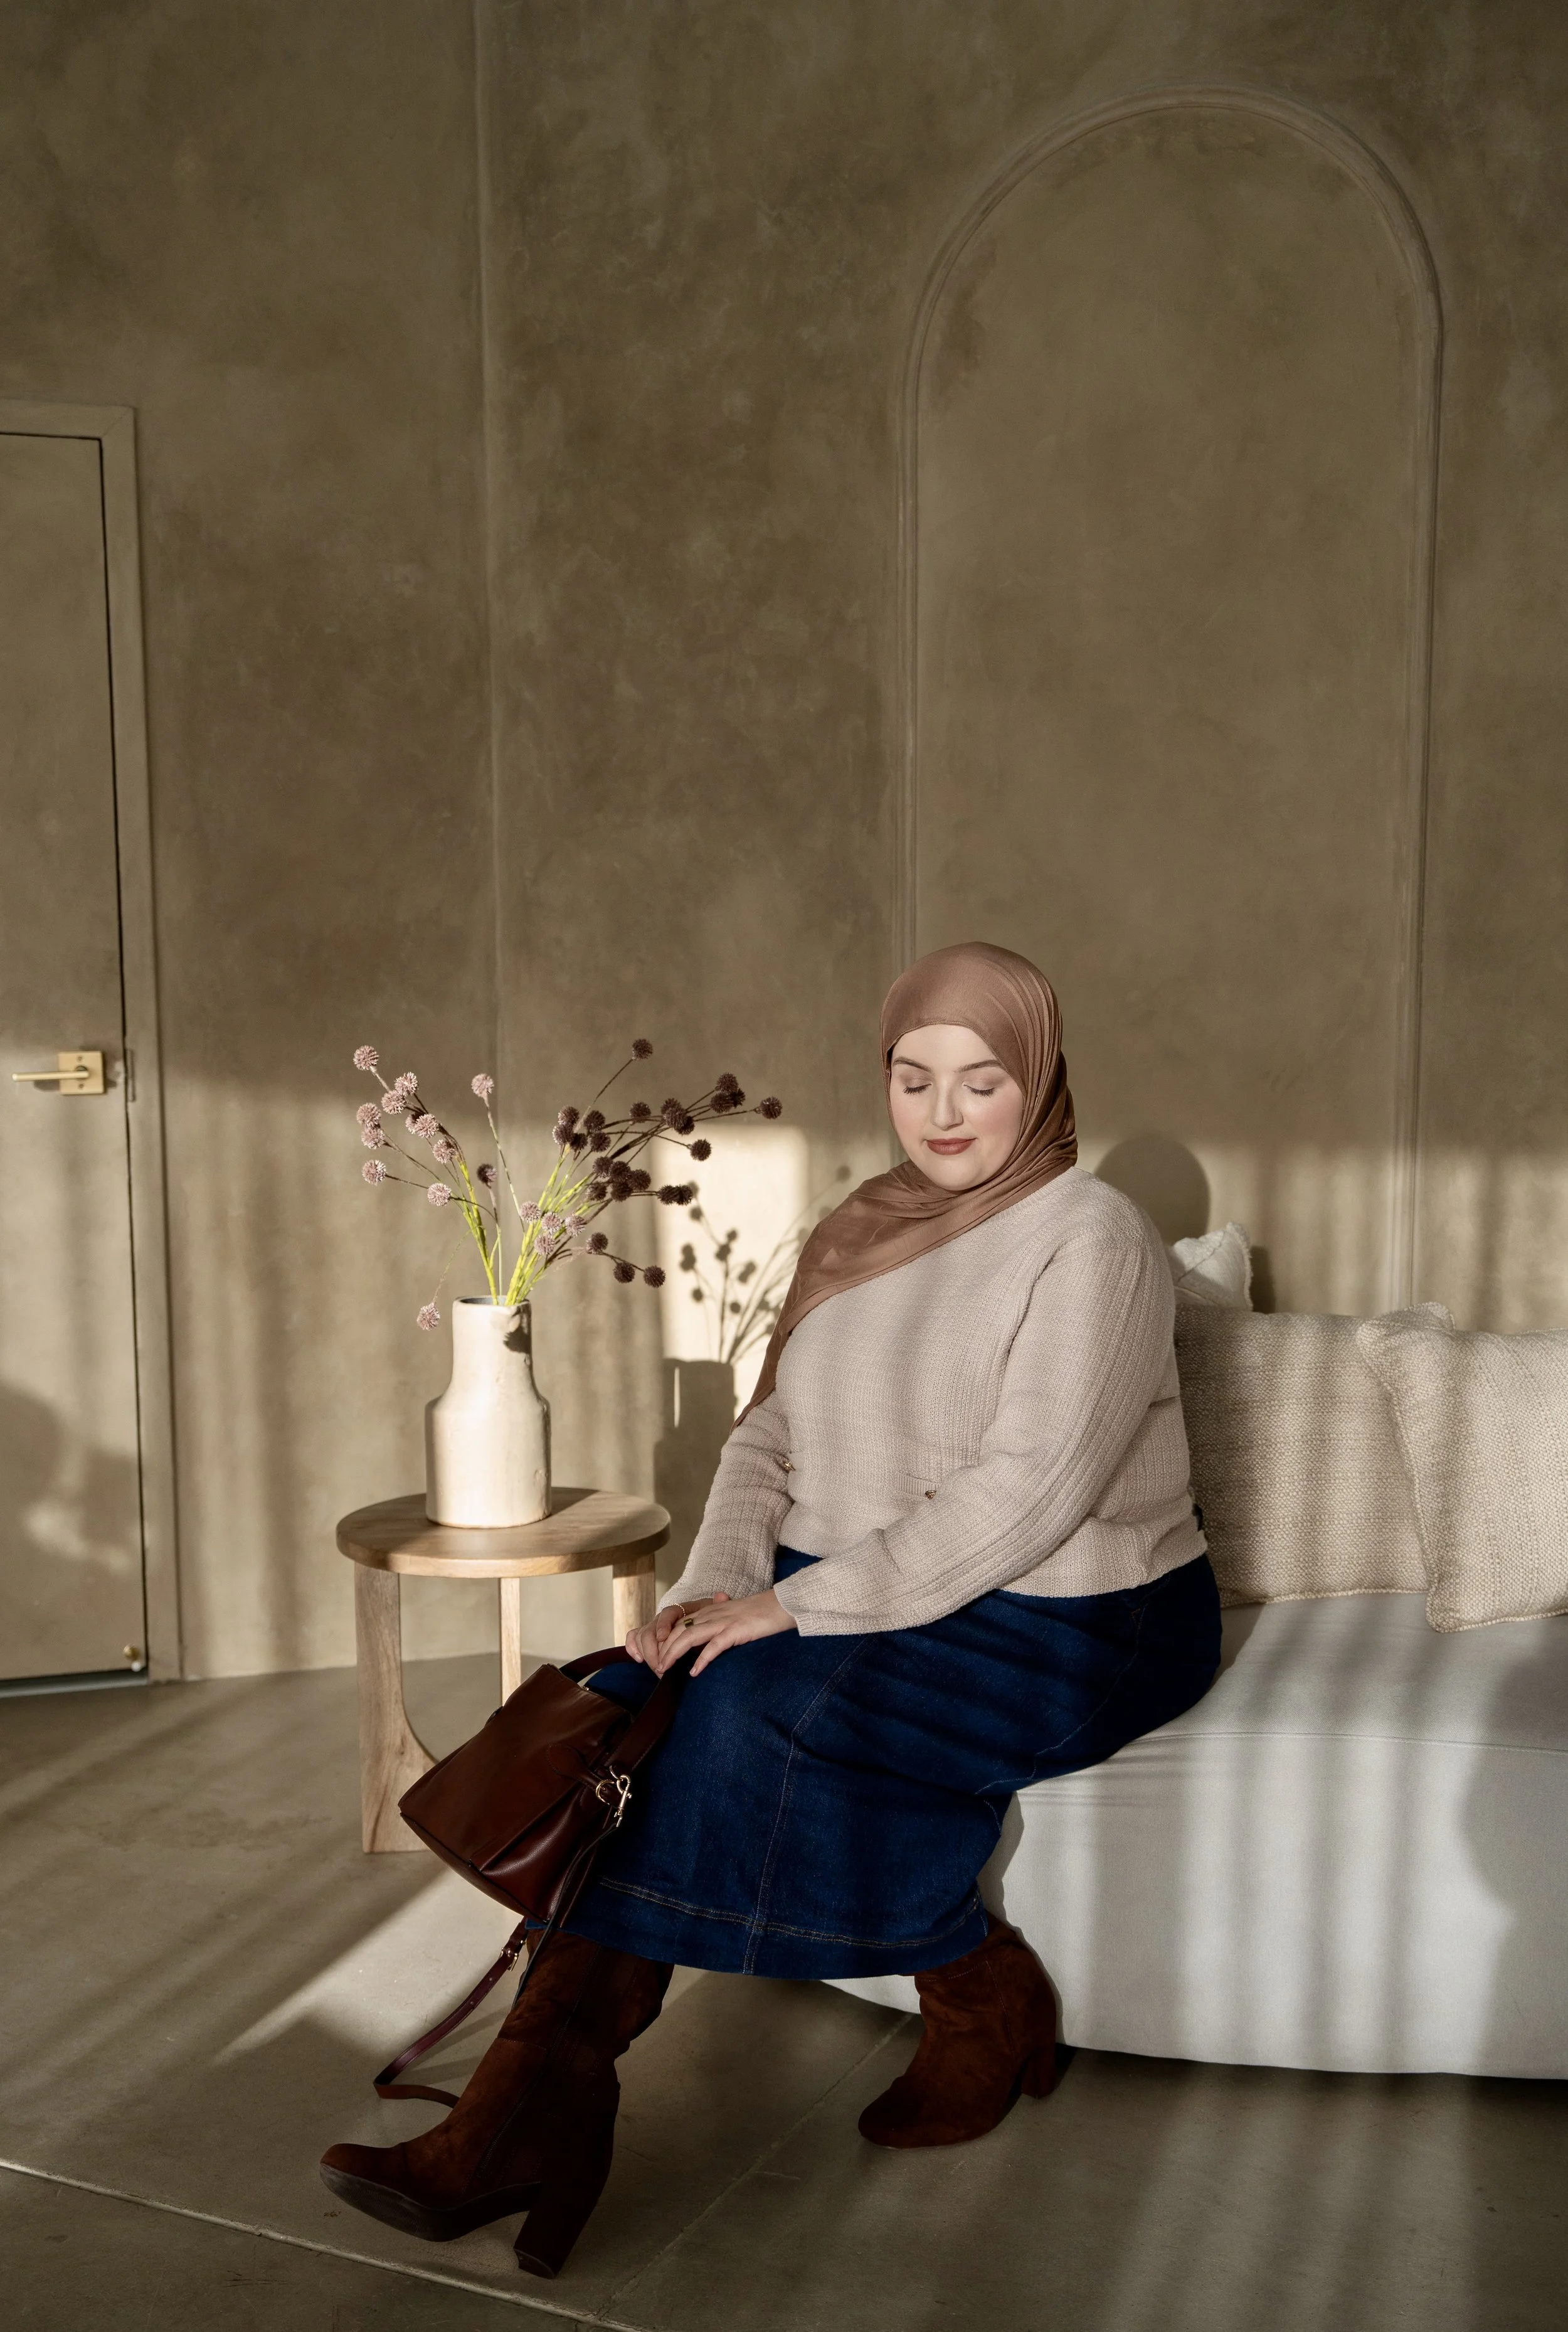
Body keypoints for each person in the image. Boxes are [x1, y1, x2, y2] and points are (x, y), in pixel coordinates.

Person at [320, 940, 1221, 2277]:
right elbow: (768, 1436)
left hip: (1079, 1611)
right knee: (639, 1698)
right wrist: (710, 1591)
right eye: (912, 1077)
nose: (944, 1112)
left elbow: (1030, 1491)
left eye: (982, 1080)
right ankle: (533, 2109)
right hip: (885, 1580)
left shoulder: (1094, 1241)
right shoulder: (864, 1227)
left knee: (742, 1711)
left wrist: (802, 1607)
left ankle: (963, 1991)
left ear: (1038, 1081)